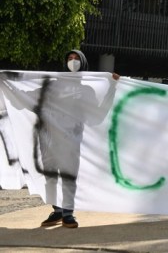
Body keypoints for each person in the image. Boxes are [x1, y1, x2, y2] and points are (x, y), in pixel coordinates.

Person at [39, 50, 120, 228]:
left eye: (76, 59)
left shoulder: (85, 90)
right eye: (70, 58)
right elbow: (32, 98)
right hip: (49, 139)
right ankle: (57, 210)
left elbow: (96, 115)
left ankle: (68, 212)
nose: (73, 61)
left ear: (83, 63)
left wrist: (112, 88)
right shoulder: (52, 86)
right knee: (50, 176)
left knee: (68, 175)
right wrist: (9, 82)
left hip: (71, 139)